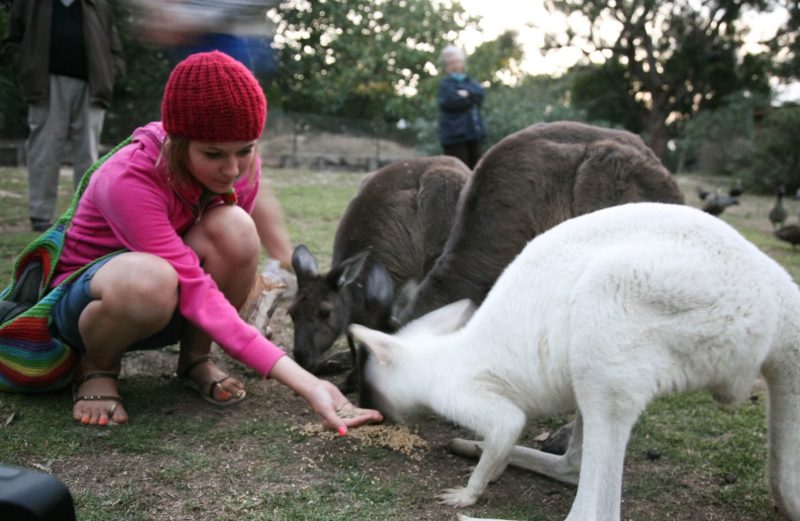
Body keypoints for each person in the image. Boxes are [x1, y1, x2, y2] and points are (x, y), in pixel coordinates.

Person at [50, 51, 382, 431]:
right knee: (150, 279)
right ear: (178, 142)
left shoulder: (239, 168)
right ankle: (97, 367)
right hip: (92, 307)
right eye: (213, 153)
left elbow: (220, 265)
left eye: (245, 149)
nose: (232, 169)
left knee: (237, 228)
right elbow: (195, 286)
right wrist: (307, 383)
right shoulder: (128, 179)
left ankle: (195, 358)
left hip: (167, 303)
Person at [2, 0, 126, 232]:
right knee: (44, 151)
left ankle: (86, 217)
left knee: (88, 155)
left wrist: (109, 74)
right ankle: (40, 216)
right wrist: (26, 67)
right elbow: (13, 41)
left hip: (92, 87)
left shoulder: (99, 5)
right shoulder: (30, 3)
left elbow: (114, 48)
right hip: (45, 85)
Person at [437, 45, 486, 169]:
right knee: (460, 171)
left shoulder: (469, 81)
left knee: (479, 169)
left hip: (474, 134)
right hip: (455, 138)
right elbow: (453, 101)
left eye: (458, 61)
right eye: (452, 62)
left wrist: (467, 94)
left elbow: (480, 93)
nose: (455, 65)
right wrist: (471, 97)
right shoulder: (445, 85)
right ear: (447, 65)